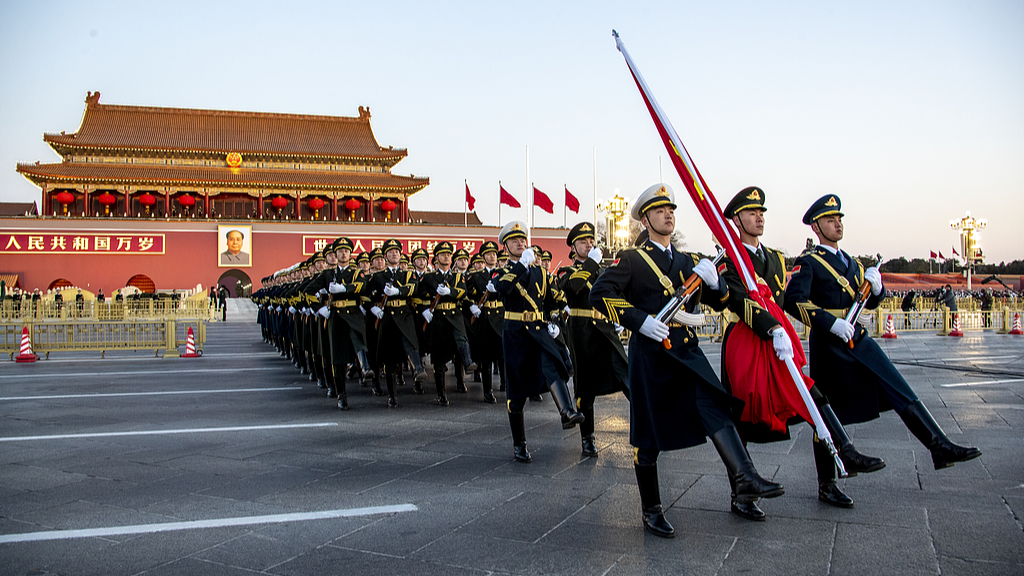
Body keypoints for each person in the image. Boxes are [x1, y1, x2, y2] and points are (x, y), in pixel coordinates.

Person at [589, 183, 783, 538]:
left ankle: (744, 480)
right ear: (645, 219)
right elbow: (599, 293)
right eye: (660, 210)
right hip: (652, 355)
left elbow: (722, 301)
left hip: (688, 353)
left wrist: (717, 283)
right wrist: (640, 320)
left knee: (716, 408)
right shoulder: (632, 259)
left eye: (671, 210)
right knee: (648, 437)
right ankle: (651, 509)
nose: (668, 215)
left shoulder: (689, 261)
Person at [718, 187, 883, 520]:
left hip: (778, 341)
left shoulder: (777, 258)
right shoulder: (729, 256)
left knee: (813, 397)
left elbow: (782, 300)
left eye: (761, 212)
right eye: (751, 213)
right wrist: (770, 328)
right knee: (744, 414)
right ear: (737, 219)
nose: (759, 217)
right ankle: (742, 491)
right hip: (746, 339)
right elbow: (737, 299)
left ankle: (841, 457)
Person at [784, 194, 981, 472]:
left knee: (897, 385)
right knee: (828, 412)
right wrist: (830, 323)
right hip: (829, 341)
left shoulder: (852, 263)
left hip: (857, 338)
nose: (838, 224)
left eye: (839, 218)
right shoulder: (809, 261)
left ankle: (938, 444)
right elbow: (793, 299)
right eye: (830, 220)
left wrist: (878, 290)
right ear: (816, 228)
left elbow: (867, 301)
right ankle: (827, 483)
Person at [495, 221, 583, 463]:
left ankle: (567, 412)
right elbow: (502, 287)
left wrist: (555, 317)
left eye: (522, 240)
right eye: (514, 241)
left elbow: (553, 299)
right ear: (505, 247)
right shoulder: (501, 272)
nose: (520, 244)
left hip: (539, 330)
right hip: (515, 333)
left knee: (552, 364)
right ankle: (519, 443)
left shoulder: (541, 273)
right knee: (517, 390)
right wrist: (521, 265)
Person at [557, 221, 630, 458]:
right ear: (573, 248)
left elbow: (615, 292)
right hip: (582, 331)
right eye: (583, 242)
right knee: (585, 388)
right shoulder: (567, 272)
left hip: (605, 329)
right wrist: (591, 263)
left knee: (626, 373)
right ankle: (587, 438)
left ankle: (650, 422)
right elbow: (576, 287)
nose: (588, 245)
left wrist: (619, 315)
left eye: (591, 241)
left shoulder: (600, 270)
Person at [366, 239, 427, 407]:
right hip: (387, 317)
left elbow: (413, 288)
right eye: (391, 252)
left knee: (411, 343)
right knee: (390, 358)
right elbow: (366, 296)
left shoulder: (407, 274)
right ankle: (392, 395)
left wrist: (398, 291)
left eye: (397, 252)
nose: (394, 254)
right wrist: (373, 308)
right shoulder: (377, 276)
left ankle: (418, 370)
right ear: (385, 256)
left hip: (405, 314)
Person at [417, 242, 476, 405]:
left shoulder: (457, 277)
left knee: (461, 337)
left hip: (454, 314)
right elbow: (419, 295)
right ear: (436, 258)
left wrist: (451, 291)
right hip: (438, 318)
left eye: (448, 255)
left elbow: (463, 292)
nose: (446, 257)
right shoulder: (428, 278)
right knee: (439, 357)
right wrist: (424, 309)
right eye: (442, 255)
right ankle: (441, 392)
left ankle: (468, 362)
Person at [466, 241, 507, 401]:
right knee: (487, 357)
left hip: (501, 315)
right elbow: (466, 294)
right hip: (484, 317)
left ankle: (505, 383)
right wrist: (472, 306)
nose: (492, 256)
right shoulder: (476, 276)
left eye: (494, 254)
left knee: (503, 353)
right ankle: (487, 390)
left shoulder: (503, 274)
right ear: (483, 257)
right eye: (489, 254)